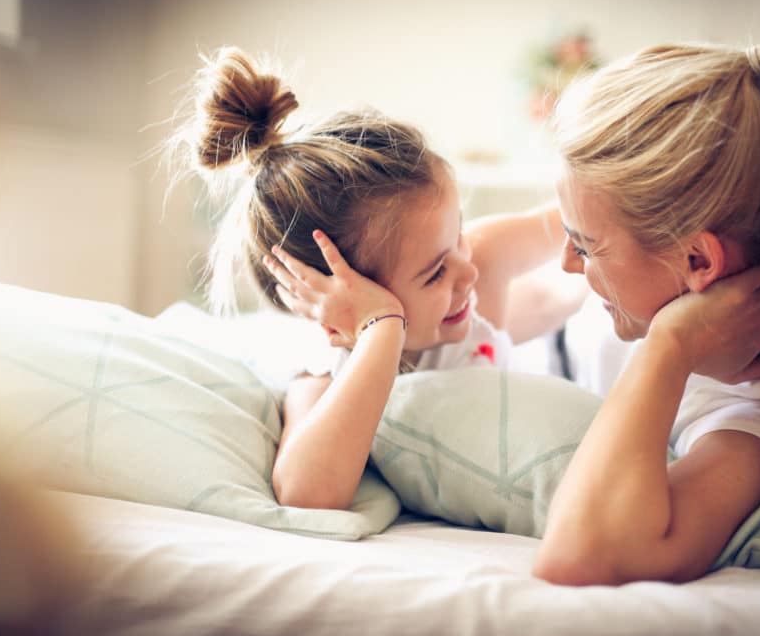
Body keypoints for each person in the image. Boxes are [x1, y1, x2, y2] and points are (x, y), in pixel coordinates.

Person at [176, 47, 583, 510]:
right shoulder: (327, 371)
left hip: (554, 333)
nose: (468, 270)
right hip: (522, 327)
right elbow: (306, 494)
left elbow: (584, 214)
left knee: (564, 298)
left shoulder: (477, 262)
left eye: (459, 239)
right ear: (342, 301)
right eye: (434, 274)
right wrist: (382, 328)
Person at [533, 39, 760, 585]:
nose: (568, 263)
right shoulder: (642, 260)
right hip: (554, 327)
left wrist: (671, 342)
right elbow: (480, 254)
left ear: (698, 259)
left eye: (585, 245)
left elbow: (582, 555)